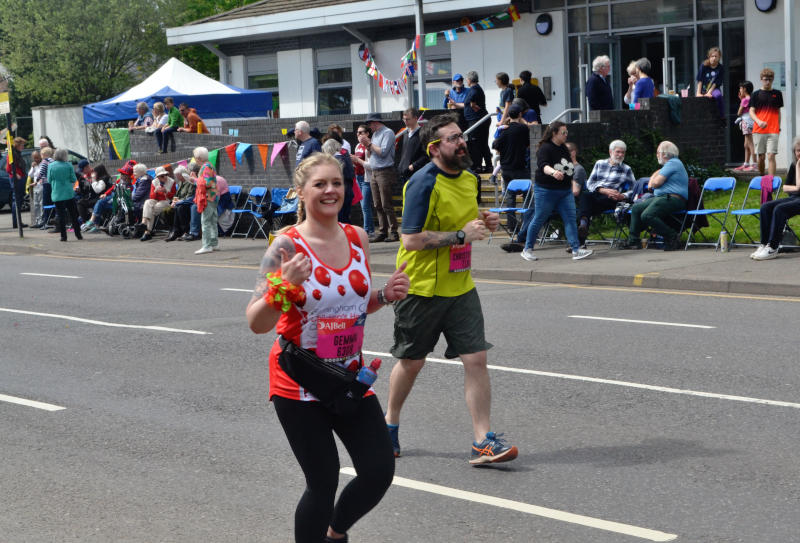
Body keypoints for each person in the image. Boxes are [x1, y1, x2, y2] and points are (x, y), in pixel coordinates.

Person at [245, 152, 409, 543]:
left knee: (378, 470)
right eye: (320, 184)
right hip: (299, 381)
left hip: (349, 375)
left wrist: (383, 295)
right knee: (322, 480)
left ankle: (336, 533)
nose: (330, 191)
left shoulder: (357, 237)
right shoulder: (286, 247)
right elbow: (256, 322)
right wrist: (283, 286)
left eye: (336, 182)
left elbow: (352, 302)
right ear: (301, 192)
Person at [383, 113, 519, 465]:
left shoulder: (471, 179)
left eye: (462, 136)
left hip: (460, 286)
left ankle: (482, 441)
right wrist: (460, 235)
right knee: (411, 362)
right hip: (421, 288)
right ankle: (389, 425)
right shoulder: (422, 183)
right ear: (434, 148)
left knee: (476, 359)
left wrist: (484, 220)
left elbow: (469, 219)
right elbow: (411, 240)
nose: (462, 142)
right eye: (453, 138)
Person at [520, 122, 593, 262]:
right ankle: (527, 249)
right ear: (554, 133)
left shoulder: (564, 148)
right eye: (563, 133)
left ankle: (576, 250)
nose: (566, 135)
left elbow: (569, 168)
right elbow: (543, 166)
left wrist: (571, 182)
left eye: (566, 132)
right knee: (540, 218)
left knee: (570, 218)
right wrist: (553, 172)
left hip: (565, 191)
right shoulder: (545, 148)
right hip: (546, 190)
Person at [618, 141, 688, 252]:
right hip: (661, 198)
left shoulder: (673, 163)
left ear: (665, 154)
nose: (656, 155)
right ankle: (633, 240)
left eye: (658, 152)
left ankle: (673, 236)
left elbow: (656, 183)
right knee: (636, 208)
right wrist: (652, 179)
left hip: (672, 199)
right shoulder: (670, 165)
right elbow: (656, 175)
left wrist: (652, 182)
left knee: (647, 215)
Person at [577, 140, 636, 247]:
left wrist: (623, 195)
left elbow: (634, 189)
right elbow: (590, 183)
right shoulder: (600, 164)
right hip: (597, 194)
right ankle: (582, 228)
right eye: (618, 152)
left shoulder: (626, 169)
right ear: (610, 152)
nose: (620, 155)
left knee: (585, 208)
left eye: (623, 152)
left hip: (612, 199)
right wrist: (602, 190)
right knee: (585, 196)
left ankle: (580, 235)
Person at [751, 137, 800, 261]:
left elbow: (798, 186)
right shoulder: (793, 165)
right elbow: (785, 187)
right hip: (795, 197)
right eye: (797, 151)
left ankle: (773, 247)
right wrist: (796, 188)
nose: (799, 153)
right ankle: (764, 244)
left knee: (780, 209)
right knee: (766, 207)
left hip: (797, 198)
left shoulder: (797, 166)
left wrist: (799, 168)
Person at [491, 103, 530, 235]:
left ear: (508, 115)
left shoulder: (505, 131)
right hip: (520, 167)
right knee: (527, 196)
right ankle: (525, 226)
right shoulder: (523, 129)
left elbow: (495, 144)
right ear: (520, 115)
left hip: (506, 169)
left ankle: (512, 226)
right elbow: (528, 144)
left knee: (510, 198)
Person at [360, 112, 399, 242]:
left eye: (370, 124)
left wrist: (369, 144)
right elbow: (372, 155)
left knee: (386, 203)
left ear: (375, 122)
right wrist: (367, 145)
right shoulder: (376, 134)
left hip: (384, 171)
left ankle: (393, 232)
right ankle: (383, 231)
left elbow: (383, 152)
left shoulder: (387, 133)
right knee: (377, 204)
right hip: (375, 171)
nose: (369, 127)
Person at [750, 68, 783, 177]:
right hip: (759, 130)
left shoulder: (777, 94)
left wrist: (779, 126)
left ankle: (771, 181)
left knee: (771, 156)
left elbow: (778, 112)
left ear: (773, 79)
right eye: (765, 79)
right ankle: (761, 175)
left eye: (770, 79)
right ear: (761, 79)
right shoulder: (755, 94)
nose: (767, 82)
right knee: (761, 157)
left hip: (773, 130)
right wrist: (759, 122)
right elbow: (751, 111)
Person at [47, 148, 82, 242]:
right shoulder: (68, 165)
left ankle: (63, 236)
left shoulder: (51, 166)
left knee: (61, 215)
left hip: (57, 193)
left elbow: (49, 179)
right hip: (68, 193)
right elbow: (73, 179)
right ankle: (78, 235)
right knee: (73, 215)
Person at [463, 71, 492, 173]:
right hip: (477, 119)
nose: (466, 81)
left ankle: (477, 166)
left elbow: (472, 103)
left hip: (477, 120)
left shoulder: (474, 89)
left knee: (475, 143)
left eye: (467, 79)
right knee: (482, 143)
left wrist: (474, 107)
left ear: (469, 80)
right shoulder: (476, 88)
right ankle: (487, 165)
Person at [322, 138, 355, 224]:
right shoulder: (345, 156)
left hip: (340, 192)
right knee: (346, 218)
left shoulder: (335, 160)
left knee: (339, 219)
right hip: (348, 190)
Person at [193, 147, 219, 254]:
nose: (194, 159)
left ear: (199, 158)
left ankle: (207, 245)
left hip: (208, 196)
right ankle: (213, 243)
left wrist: (195, 180)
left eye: (195, 157)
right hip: (214, 195)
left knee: (206, 221)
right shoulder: (210, 165)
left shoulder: (205, 167)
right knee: (212, 220)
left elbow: (207, 183)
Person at [140, 166, 177, 241]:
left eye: (165, 175)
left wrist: (166, 191)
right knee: (147, 202)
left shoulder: (172, 181)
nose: (164, 177)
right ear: (158, 177)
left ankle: (147, 231)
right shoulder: (154, 182)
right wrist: (155, 192)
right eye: (162, 176)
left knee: (151, 211)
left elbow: (173, 196)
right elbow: (152, 197)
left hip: (166, 201)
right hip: (156, 200)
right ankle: (143, 223)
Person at [351, 124, 374, 235]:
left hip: (366, 179)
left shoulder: (369, 146)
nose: (358, 135)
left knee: (365, 206)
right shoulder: (357, 146)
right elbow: (358, 163)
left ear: (367, 133)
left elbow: (370, 166)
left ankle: (367, 230)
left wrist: (357, 160)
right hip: (358, 177)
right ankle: (370, 229)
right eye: (357, 132)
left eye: (361, 132)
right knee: (363, 206)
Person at [396, 108, 427, 184]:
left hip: (416, 175)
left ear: (416, 118)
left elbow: (427, 155)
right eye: (404, 119)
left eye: (408, 119)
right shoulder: (406, 133)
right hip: (404, 174)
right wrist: (401, 167)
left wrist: (413, 166)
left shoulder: (423, 133)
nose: (405, 122)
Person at [164, 166, 194, 242]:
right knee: (166, 210)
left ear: (183, 174)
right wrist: (173, 202)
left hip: (187, 203)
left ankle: (184, 231)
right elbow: (176, 195)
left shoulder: (190, 182)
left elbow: (189, 196)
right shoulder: (180, 182)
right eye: (176, 176)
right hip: (179, 203)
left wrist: (178, 202)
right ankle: (173, 230)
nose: (177, 177)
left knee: (179, 208)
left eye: (178, 175)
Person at [5, 136, 28, 229]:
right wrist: (15, 174)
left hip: (20, 178)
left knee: (18, 200)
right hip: (17, 179)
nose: (23, 147)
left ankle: (18, 222)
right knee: (17, 200)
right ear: (17, 145)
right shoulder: (12, 154)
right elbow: (8, 169)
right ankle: (16, 222)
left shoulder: (17, 153)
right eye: (22, 145)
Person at [695, 47, 724, 117]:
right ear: (709, 56)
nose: (714, 58)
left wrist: (709, 93)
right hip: (703, 88)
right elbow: (700, 80)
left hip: (713, 89)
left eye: (716, 56)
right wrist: (698, 93)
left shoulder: (720, 68)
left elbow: (716, 83)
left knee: (718, 96)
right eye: (712, 56)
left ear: (719, 57)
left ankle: (721, 116)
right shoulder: (704, 66)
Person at [734, 81, 756, 172]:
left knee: (750, 143)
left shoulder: (745, 100)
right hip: (749, 121)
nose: (740, 90)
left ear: (745, 89)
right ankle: (746, 163)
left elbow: (739, 112)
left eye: (741, 88)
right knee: (746, 144)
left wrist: (741, 101)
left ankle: (755, 163)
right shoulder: (750, 98)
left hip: (746, 122)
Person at [36, 146, 55, 229]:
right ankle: (52, 219)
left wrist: (37, 179)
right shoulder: (53, 161)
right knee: (52, 201)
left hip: (46, 183)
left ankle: (46, 220)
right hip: (52, 183)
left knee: (46, 202)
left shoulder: (45, 161)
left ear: (44, 154)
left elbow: (42, 171)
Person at [27, 150, 42, 227]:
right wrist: (32, 167)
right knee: (36, 204)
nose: (36, 159)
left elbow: (41, 174)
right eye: (34, 158)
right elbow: (30, 175)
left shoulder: (43, 164)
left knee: (41, 203)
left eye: (37, 157)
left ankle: (42, 221)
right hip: (35, 186)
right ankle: (37, 220)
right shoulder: (34, 165)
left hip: (41, 186)